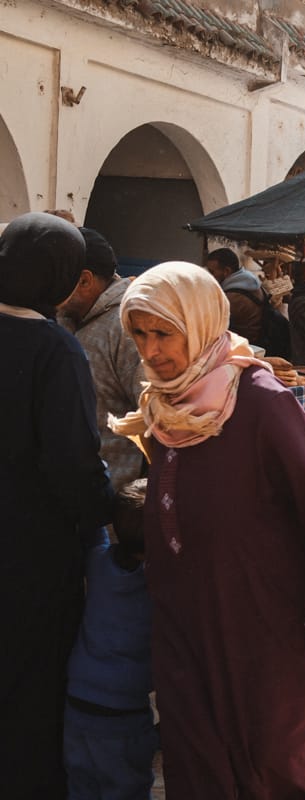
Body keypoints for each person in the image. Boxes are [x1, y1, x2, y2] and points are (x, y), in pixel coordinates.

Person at [109, 262, 305, 799]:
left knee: (281, 760)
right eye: (140, 335)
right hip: (186, 620)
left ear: (199, 325)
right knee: (196, 757)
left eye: (163, 334)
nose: (151, 351)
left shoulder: (263, 403)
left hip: (270, 623)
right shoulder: (166, 405)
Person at [0, 212, 115, 799]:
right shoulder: (53, 349)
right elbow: (73, 459)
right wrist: (110, 512)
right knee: (30, 686)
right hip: (30, 555)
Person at [63, 478, 156, 800]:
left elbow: (93, 531)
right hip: (124, 715)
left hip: (77, 703)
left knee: (81, 787)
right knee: (125, 790)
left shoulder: (98, 563)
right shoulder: (159, 586)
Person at [58, 228, 146, 490]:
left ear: (84, 281)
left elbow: (153, 418)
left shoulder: (128, 327)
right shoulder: (63, 317)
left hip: (111, 501)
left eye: (57, 276)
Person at [204, 247, 264, 344]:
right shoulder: (250, 283)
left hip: (245, 346)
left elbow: (207, 325)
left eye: (212, 272)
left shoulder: (232, 298)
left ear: (226, 271)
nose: (210, 276)